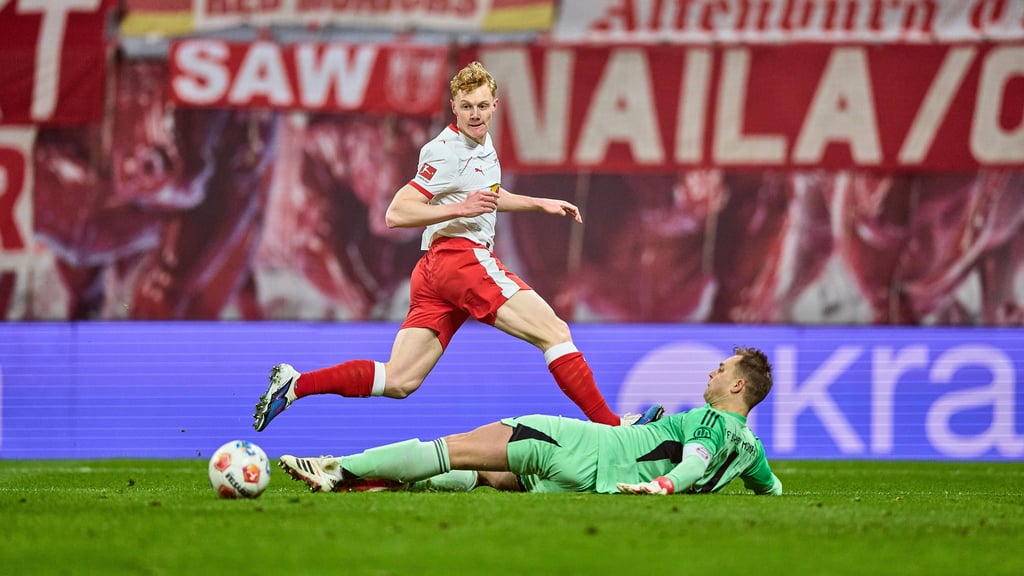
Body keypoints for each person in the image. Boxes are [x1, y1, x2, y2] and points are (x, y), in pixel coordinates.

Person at [253, 61, 661, 431]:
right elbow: (397, 212)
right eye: (467, 106)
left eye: (482, 106)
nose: (475, 114)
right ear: (454, 107)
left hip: (434, 273)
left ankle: (295, 384)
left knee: (399, 379)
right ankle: (613, 427)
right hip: (460, 259)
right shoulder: (444, 151)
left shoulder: (482, 147)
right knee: (554, 332)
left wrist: (538, 203)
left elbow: (488, 195)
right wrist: (458, 209)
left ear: (495, 105)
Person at [277, 347, 782, 496]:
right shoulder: (750, 450)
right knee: (489, 473)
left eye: (723, 369)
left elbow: (693, 460)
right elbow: (773, 490)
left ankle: (337, 468)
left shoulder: (709, 424)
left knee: (453, 448)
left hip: (575, 446)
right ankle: (379, 484)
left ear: (738, 386)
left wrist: (668, 486)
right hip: (592, 487)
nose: (713, 371)